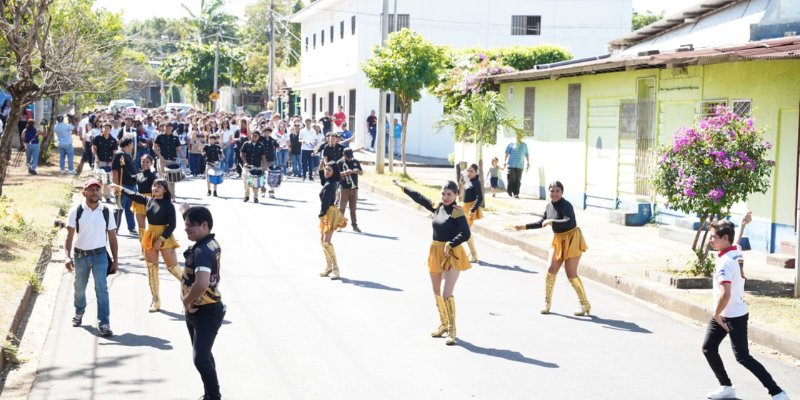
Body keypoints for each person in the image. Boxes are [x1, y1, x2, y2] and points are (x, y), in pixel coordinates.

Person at [702, 220, 790, 400]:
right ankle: (726, 387)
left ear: (724, 238)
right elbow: (737, 240)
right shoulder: (735, 250)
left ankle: (777, 392)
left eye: (713, 237)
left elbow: (725, 294)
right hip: (724, 313)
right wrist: (742, 225)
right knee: (708, 348)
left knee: (743, 357)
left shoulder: (725, 262)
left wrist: (716, 315)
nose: (711, 240)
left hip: (732, 315)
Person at [393, 179, 471, 346]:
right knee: (436, 291)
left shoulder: (457, 211)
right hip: (436, 252)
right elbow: (420, 198)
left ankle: (452, 330)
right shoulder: (438, 207)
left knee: (446, 293)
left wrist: (451, 243)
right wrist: (402, 187)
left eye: (449, 194)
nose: (445, 197)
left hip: (452, 253)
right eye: (443, 194)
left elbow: (466, 233)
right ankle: (443, 324)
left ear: (456, 195)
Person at [514, 181, 590, 316]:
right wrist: (524, 226)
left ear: (562, 192)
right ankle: (547, 303)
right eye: (552, 191)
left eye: (557, 191)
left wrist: (552, 221)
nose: (554, 193)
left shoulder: (566, 205)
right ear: (549, 192)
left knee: (571, 274)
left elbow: (569, 221)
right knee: (550, 270)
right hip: (558, 240)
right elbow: (542, 222)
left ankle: (584, 304)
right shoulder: (549, 206)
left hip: (572, 239)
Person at [109, 179, 182, 312]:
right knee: (151, 269)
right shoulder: (148, 201)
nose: (155, 188)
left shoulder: (168, 205)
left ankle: (195, 291)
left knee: (174, 269)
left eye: (159, 186)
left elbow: (172, 225)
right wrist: (119, 187)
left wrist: (161, 239)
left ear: (165, 190)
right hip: (150, 236)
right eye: (154, 186)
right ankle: (155, 300)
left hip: (164, 236)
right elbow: (134, 195)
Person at [64, 178, 118, 337]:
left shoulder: (106, 211)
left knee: (101, 289)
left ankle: (104, 323)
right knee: (79, 288)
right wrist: (67, 257)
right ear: (84, 193)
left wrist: (116, 260)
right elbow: (69, 236)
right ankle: (79, 311)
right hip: (80, 256)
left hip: (100, 256)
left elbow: (112, 237)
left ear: (100, 192)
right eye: (91, 189)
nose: (95, 192)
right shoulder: (76, 211)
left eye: (97, 189)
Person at [181, 206, 225, 400]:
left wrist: (186, 301)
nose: (186, 229)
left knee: (200, 359)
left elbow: (201, 284)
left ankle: (213, 397)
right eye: (186, 225)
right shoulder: (210, 243)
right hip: (198, 309)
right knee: (204, 356)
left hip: (205, 311)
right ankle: (210, 394)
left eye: (191, 225)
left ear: (205, 225)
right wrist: (185, 209)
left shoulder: (202, 251)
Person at [318, 162, 347, 280]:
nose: (326, 171)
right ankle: (329, 267)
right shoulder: (332, 182)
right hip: (329, 212)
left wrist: (321, 215)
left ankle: (335, 269)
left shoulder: (330, 185)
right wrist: (321, 167)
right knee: (323, 241)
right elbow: (323, 180)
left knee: (326, 242)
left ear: (334, 172)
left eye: (329, 170)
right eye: (326, 169)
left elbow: (325, 202)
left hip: (329, 213)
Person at [132, 155, 157, 260]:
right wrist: (122, 165)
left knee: (152, 227)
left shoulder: (153, 176)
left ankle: (152, 248)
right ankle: (143, 250)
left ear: (151, 163)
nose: (145, 164)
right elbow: (127, 178)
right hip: (139, 201)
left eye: (147, 162)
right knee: (141, 228)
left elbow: (158, 189)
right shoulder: (138, 175)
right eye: (143, 162)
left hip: (150, 201)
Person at [111, 138, 139, 235]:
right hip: (123, 185)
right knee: (119, 207)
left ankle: (131, 227)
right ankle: (114, 228)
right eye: (132, 144)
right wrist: (116, 186)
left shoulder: (127, 155)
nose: (133, 147)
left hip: (131, 185)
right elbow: (115, 171)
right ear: (129, 144)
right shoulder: (119, 155)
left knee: (130, 208)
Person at [153, 122, 185, 196]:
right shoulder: (160, 137)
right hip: (162, 160)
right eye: (167, 127)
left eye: (170, 128)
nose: (168, 129)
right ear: (164, 128)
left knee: (171, 178)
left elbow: (179, 149)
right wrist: (159, 155)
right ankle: (163, 195)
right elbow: (154, 147)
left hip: (171, 161)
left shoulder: (175, 138)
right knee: (163, 179)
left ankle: (172, 195)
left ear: (172, 128)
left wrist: (184, 158)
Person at [337, 148, 363, 232]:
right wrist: (344, 173)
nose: (350, 158)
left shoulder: (355, 161)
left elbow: (361, 172)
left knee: (353, 208)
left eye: (351, 156)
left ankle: (354, 226)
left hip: (354, 188)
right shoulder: (340, 162)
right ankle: (339, 225)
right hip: (344, 188)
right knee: (342, 208)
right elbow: (336, 175)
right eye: (348, 156)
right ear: (344, 155)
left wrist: (357, 171)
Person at [462, 163, 484, 262]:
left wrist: (473, 209)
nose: (469, 172)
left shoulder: (476, 182)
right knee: (463, 230)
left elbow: (480, 198)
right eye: (468, 170)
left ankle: (474, 255)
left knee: (466, 231)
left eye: (471, 171)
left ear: (476, 172)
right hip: (464, 207)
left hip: (470, 209)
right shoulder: (469, 180)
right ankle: (472, 253)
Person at [239, 130, 266, 203]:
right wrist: (245, 162)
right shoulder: (246, 143)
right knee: (246, 181)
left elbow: (263, 156)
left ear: (258, 137)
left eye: (255, 135)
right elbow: (241, 153)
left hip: (256, 167)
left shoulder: (261, 145)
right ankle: (246, 196)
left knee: (255, 183)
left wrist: (264, 165)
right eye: (252, 135)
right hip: (247, 166)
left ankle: (255, 197)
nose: (253, 137)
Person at [503, 132, 530, 198]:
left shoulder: (524, 145)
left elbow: (526, 154)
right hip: (511, 165)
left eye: (520, 136)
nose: (519, 137)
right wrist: (504, 161)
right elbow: (507, 153)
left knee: (518, 180)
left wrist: (528, 162)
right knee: (512, 178)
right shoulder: (511, 144)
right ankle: (509, 191)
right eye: (517, 136)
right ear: (515, 137)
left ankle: (516, 193)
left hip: (520, 165)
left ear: (521, 137)